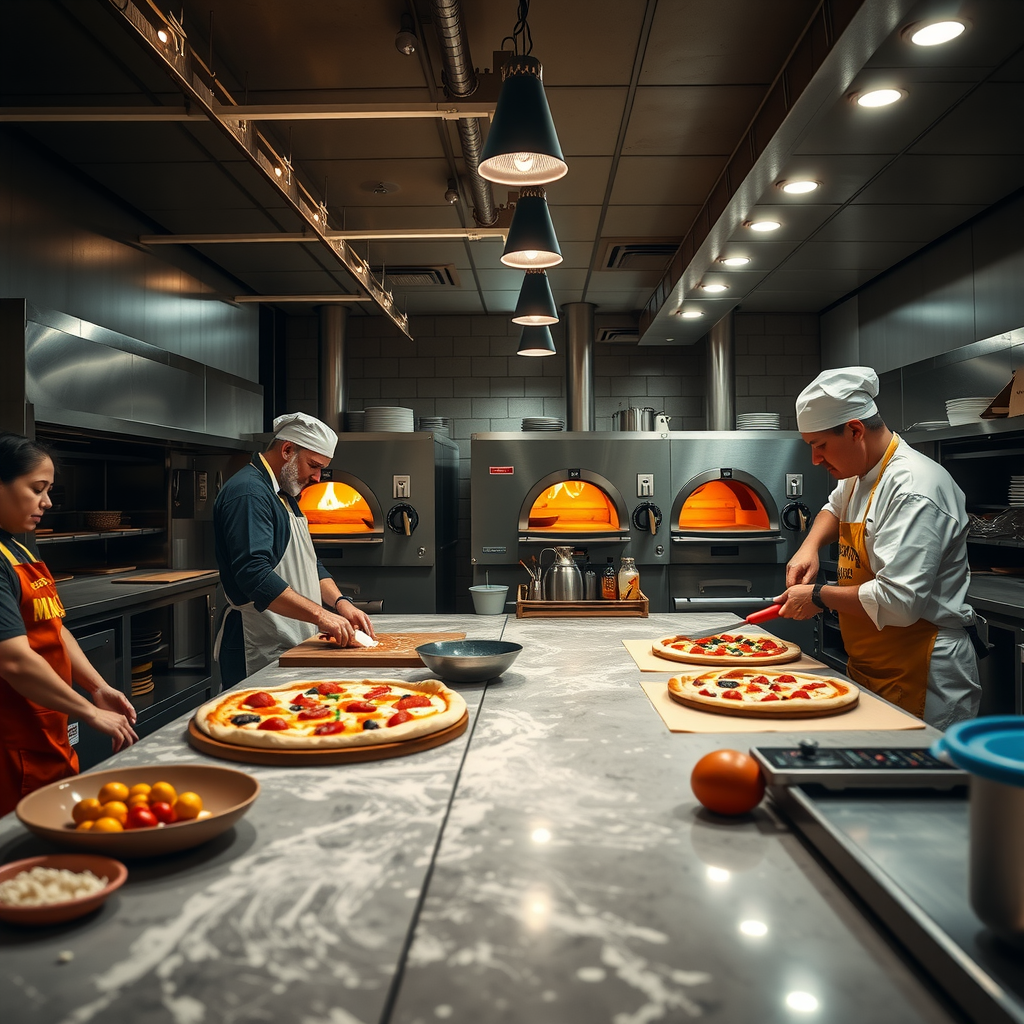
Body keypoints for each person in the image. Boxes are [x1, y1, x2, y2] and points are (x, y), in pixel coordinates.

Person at [776, 366, 982, 731]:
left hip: (923, 671)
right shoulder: (863, 471)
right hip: (873, 663)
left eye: (819, 445)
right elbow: (834, 507)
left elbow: (899, 602)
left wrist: (820, 596)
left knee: (919, 785)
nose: (815, 460)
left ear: (855, 430)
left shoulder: (914, 489)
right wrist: (807, 547)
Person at [0, 433, 138, 816]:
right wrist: (89, 712)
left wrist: (98, 687)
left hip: (47, 729)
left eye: (49, 490)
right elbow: (13, 660)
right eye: (37, 489)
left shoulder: (19, 547)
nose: (47, 502)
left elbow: (55, 627)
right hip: (12, 741)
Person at [214, 412, 375, 687]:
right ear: (287, 450)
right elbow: (254, 575)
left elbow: (308, 562)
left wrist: (340, 602)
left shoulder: (284, 493)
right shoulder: (250, 493)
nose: (317, 477)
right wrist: (323, 616)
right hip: (256, 642)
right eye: (313, 465)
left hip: (287, 636)